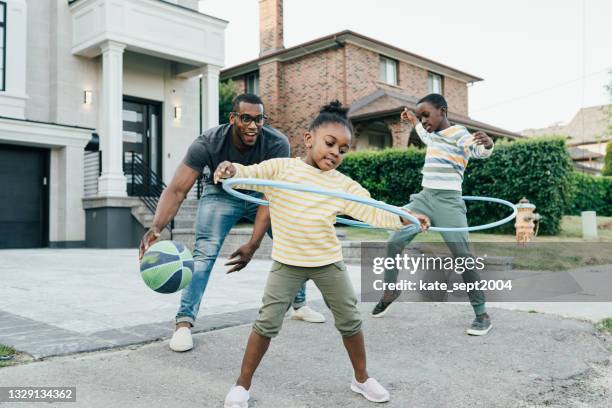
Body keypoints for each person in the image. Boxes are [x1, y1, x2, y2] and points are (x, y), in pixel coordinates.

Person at [215, 101, 430, 407]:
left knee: (350, 320)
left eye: (343, 149)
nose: (335, 153)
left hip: (328, 262)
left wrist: (405, 217)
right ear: (308, 139)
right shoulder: (281, 169)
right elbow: (248, 174)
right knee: (266, 323)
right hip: (287, 263)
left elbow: (372, 211)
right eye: (330, 143)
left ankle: (362, 379)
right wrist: (230, 169)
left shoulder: (342, 185)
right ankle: (241, 385)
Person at [139, 93, 325, 353]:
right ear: (233, 118)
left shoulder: (276, 143)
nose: (253, 125)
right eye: (246, 118)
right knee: (203, 255)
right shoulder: (208, 142)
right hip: (221, 193)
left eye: (259, 119)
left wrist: (253, 243)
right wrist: (156, 227)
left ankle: (299, 304)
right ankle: (184, 323)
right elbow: (178, 189)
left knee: (294, 238)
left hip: (261, 194)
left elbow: (269, 197)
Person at [370, 93, 495, 336]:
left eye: (426, 115)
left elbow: (477, 151)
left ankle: (482, 313)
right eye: (421, 117)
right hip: (424, 199)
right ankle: (390, 291)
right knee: (394, 240)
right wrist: (414, 121)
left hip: (448, 202)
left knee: (463, 255)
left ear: (443, 111)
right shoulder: (434, 135)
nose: (424, 120)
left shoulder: (458, 133)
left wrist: (487, 145)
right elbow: (426, 135)